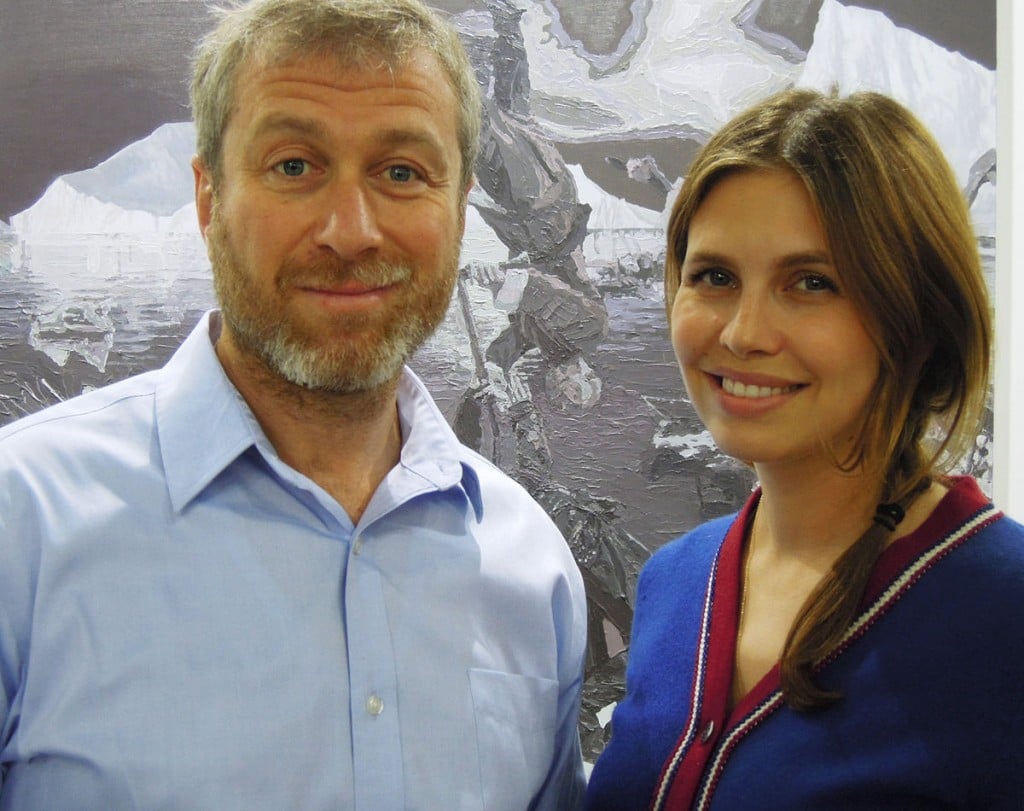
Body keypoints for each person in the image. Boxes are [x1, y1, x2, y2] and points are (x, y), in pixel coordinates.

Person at [0, 1, 588, 808]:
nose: (351, 232)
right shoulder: (21, 526)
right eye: (293, 166)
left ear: (458, 207)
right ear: (208, 198)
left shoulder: (531, 568)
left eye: (403, 172)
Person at [584, 87, 1024, 809]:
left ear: (916, 313)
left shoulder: (1004, 611)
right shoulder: (675, 580)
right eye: (715, 277)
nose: (743, 332)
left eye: (811, 282)